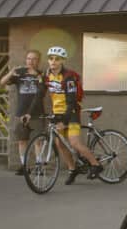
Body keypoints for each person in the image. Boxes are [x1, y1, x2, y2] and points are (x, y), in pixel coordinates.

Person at [42, 46, 102, 184]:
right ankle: (72, 169)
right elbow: (40, 94)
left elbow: (71, 101)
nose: (53, 62)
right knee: (60, 144)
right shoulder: (47, 76)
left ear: (62, 61)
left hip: (71, 112)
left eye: (57, 59)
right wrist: (28, 112)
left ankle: (96, 165)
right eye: (51, 58)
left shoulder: (68, 77)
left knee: (74, 143)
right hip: (57, 113)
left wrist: (64, 120)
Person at [0, 49, 44, 174]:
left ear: (38, 61)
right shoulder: (19, 74)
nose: (31, 61)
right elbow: (2, 82)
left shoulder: (41, 75)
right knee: (22, 140)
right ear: (26, 60)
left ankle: (39, 166)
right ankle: (25, 166)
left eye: (34, 59)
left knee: (38, 140)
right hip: (21, 113)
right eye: (29, 58)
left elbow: (41, 94)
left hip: (36, 113)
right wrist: (11, 72)